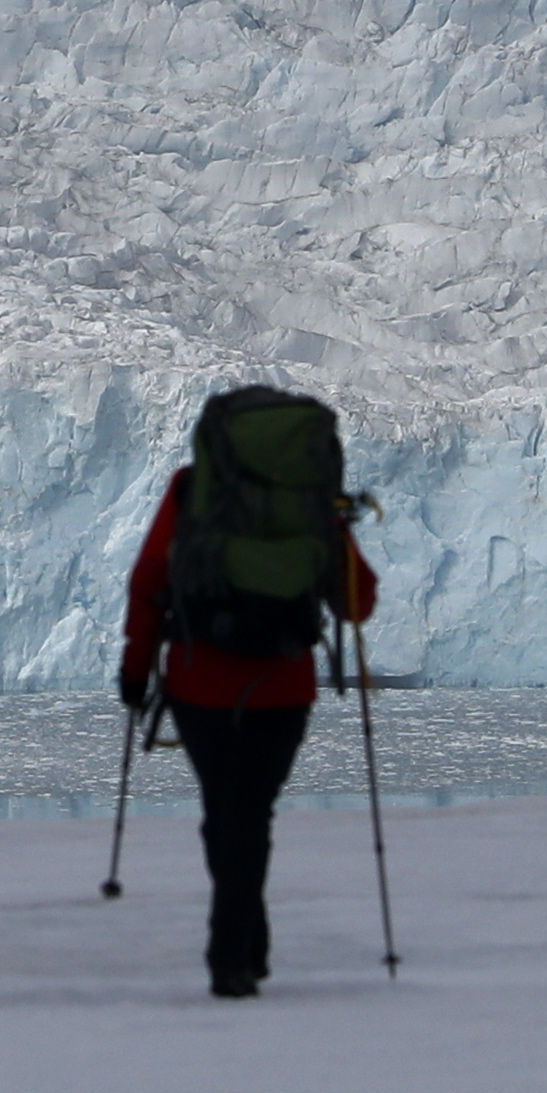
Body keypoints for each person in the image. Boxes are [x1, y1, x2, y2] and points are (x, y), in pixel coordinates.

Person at [117, 392, 376, 1000]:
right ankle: (242, 945)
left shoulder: (192, 491)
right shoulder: (308, 501)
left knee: (226, 812)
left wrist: (135, 668)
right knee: (249, 813)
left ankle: (232, 950)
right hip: (283, 686)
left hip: (197, 680)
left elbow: (150, 581)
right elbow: (356, 600)